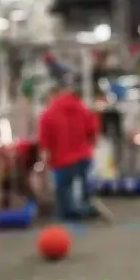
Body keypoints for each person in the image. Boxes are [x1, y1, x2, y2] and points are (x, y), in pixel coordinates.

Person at [38, 75, 109, 222]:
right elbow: (93, 129)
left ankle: (72, 213)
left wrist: (46, 158)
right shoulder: (81, 107)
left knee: (64, 192)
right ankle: (87, 206)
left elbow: (44, 142)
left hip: (62, 160)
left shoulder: (48, 114)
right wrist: (90, 145)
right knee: (83, 186)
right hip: (84, 156)